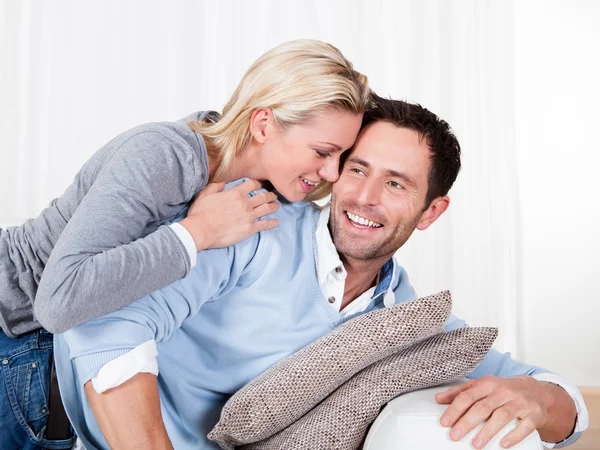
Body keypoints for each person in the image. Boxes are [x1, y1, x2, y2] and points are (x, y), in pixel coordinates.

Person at [54, 96, 587, 449]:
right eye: (357, 169)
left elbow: (562, 402)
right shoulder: (249, 225)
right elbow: (105, 322)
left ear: (431, 212)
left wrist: (538, 400)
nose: (363, 196)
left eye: (396, 184)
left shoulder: (401, 319)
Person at [0, 39, 370, 449]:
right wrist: (197, 234)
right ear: (264, 124)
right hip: (14, 327)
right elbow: (58, 302)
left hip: (56, 370)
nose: (333, 173)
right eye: (323, 152)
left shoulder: (261, 195)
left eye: (342, 156)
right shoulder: (163, 155)